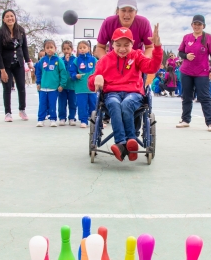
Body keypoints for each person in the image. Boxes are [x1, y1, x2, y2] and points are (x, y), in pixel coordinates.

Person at [89, 25, 162, 162]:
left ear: (132, 44)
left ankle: (126, 143)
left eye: (126, 45)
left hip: (133, 93)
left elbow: (152, 67)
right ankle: (125, 143)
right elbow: (91, 82)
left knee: (127, 104)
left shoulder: (137, 56)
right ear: (112, 44)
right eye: (118, 45)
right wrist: (96, 78)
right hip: (112, 93)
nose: (122, 48)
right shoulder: (105, 60)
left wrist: (157, 47)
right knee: (114, 103)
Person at [176, 15, 211, 132]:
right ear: (192, 25)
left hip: (202, 72)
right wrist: (186, 56)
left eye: (199, 24)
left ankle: (210, 122)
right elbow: (180, 52)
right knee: (187, 96)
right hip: (186, 71)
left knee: (205, 97)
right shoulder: (186, 37)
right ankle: (185, 120)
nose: (197, 26)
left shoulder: (208, 38)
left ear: (203, 26)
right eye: (195, 24)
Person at [0, 9, 34, 122]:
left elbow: (25, 47)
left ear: (15, 17)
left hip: (19, 63)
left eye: (11, 16)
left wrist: (28, 61)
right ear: (3, 19)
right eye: (7, 16)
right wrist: (2, 70)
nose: (10, 18)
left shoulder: (20, 30)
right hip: (5, 65)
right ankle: (8, 113)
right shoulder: (0, 33)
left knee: (21, 87)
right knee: (7, 88)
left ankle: (22, 110)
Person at [35, 40, 67, 127]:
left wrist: (62, 85)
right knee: (42, 104)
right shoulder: (42, 61)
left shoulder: (59, 61)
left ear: (55, 48)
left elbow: (63, 73)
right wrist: (38, 83)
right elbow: (38, 72)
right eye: (47, 48)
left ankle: (53, 119)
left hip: (53, 88)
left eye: (51, 47)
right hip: (43, 88)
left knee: (52, 104)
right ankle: (40, 119)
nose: (49, 50)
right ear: (44, 49)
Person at [69, 40, 98, 128]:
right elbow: (71, 72)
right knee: (82, 105)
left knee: (94, 104)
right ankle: (83, 120)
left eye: (84, 47)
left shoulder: (93, 60)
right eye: (80, 48)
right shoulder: (76, 61)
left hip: (92, 89)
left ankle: (95, 121)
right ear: (77, 50)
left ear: (88, 49)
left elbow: (99, 71)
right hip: (80, 88)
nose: (82, 49)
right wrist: (75, 75)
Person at [60, 40, 77, 126]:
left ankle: (72, 118)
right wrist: (65, 62)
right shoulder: (60, 60)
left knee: (73, 103)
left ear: (71, 49)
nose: (66, 50)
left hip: (72, 86)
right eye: (64, 49)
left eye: (68, 48)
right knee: (62, 103)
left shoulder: (75, 60)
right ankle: (62, 118)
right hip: (62, 87)